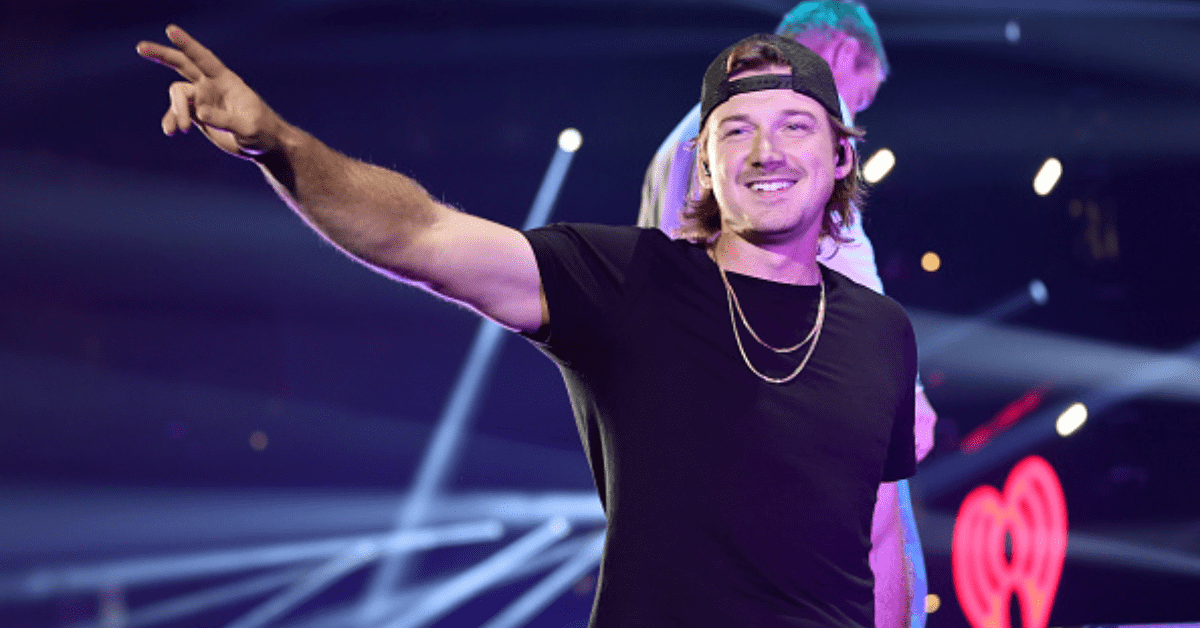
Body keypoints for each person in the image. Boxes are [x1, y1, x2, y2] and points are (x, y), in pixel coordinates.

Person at [137, 26, 917, 628]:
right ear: (705, 165)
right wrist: (279, 143)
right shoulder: (632, 281)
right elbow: (423, 237)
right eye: (736, 130)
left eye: (794, 126)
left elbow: (878, 537)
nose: (765, 151)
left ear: (841, 157)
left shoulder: (882, 332)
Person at [639, 3, 936, 626]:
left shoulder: (696, 134)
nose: (854, 115)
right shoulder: (797, 140)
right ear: (844, 55)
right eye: (861, 94)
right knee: (883, 538)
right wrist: (902, 388)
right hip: (780, 383)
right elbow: (843, 261)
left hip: (696, 401)